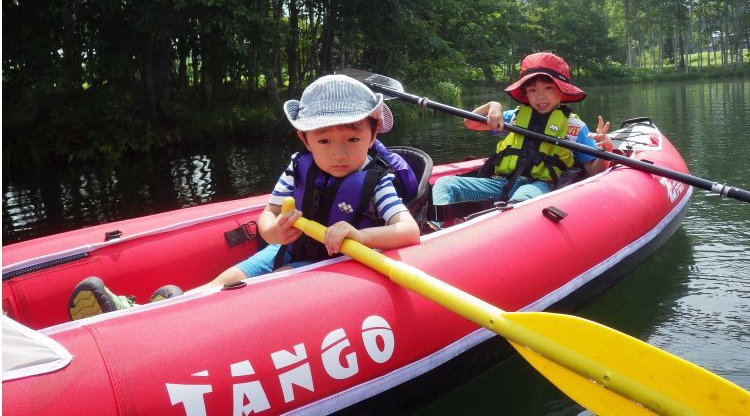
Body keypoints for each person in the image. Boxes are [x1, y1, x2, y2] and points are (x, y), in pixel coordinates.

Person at [68, 74, 421, 320]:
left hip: (333, 265)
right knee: (221, 281)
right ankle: (142, 311)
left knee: (246, 290)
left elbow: (408, 231)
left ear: (373, 135)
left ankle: (158, 315)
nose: (339, 154)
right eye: (325, 141)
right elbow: (266, 217)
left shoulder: (376, 183)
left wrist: (360, 235)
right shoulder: (298, 167)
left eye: (353, 140)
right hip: (288, 249)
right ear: (305, 140)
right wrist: (273, 233)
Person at [431, 52, 612, 207]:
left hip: (539, 185)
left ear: (562, 92)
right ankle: (434, 229)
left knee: (521, 201)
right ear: (526, 94)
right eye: (532, 90)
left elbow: (594, 169)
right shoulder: (515, 117)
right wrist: (492, 105)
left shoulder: (574, 127)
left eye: (548, 88)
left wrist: (606, 150)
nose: (540, 96)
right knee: (445, 184)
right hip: (501, 183)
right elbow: (470, 123)